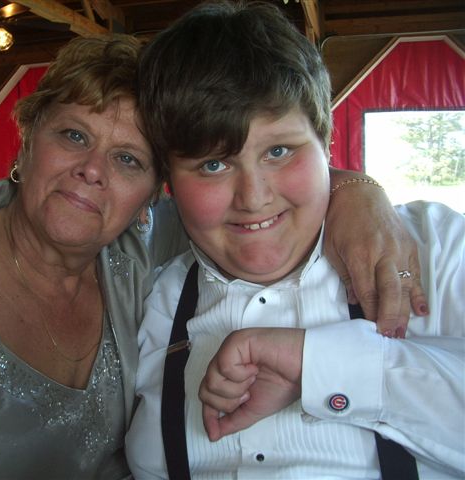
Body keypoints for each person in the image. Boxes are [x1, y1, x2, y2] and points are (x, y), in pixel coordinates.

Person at [0, 33, 425, 479]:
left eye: (128, 159)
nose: (92, 170)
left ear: (153, 193)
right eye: (74, 135)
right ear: (27, 138)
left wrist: (356, 192)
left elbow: (249, 191)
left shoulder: (145, 262)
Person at [125, 2, 464, 479]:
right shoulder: (153, 300)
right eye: (213, 164)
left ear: (326, 142)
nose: (254, 197)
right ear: (169, 182)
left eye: (279, 151)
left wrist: (319, 365)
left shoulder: (435, 248)